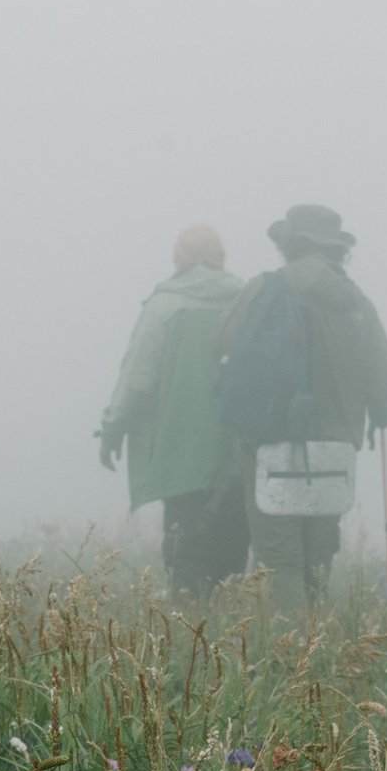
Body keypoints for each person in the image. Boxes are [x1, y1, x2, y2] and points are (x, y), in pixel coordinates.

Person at [214, 204, 387, 609]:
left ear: (289, 245)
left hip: (271, 444)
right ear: (337, 250)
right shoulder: (356, 304)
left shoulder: (262, 288)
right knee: (318, 560)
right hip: (335, 451)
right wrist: (378, 411)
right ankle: (317, 652)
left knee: (279, 561)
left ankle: (288, 659)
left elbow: (222, 344)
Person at [98, 224, 248, 598]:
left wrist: (112, 430)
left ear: (178, 257)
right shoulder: (246, 301)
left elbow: (138, 379)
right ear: (221, 256)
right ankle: (229, 646)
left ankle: (188, 642)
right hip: (241, 454)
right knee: (230, 565)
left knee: (186, 561)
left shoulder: (164, 305)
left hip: (182, 457)